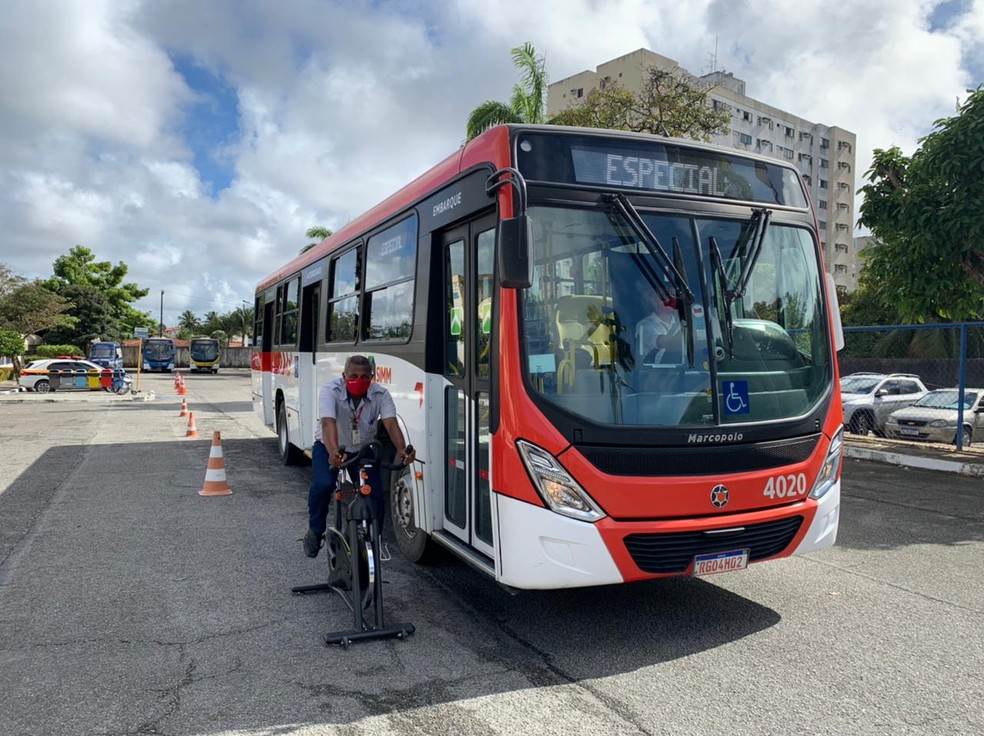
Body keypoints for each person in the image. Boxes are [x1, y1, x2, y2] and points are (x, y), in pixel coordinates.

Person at [304, 355, 415, 558]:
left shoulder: (381, 394)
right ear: (344, 375)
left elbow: (391, 424)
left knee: (375, 494)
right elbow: (328, 423)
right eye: (353, 375)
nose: (359, 379)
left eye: (365, 376)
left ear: (372, 377)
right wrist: (333, 453)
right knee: (324, 485)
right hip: (330, 447)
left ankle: (375, 540)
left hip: (362, 449)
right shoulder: (330, 391)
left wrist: (401, 449)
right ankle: (315, 530)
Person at [636, 289, 682, 364]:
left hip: (686, 373)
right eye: (663, 296)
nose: (669, 299)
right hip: (654, 374)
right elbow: (664, 343)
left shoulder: (683, 324)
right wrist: (678, 324)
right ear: (653, 300)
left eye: (672, 295)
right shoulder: (644, 325)